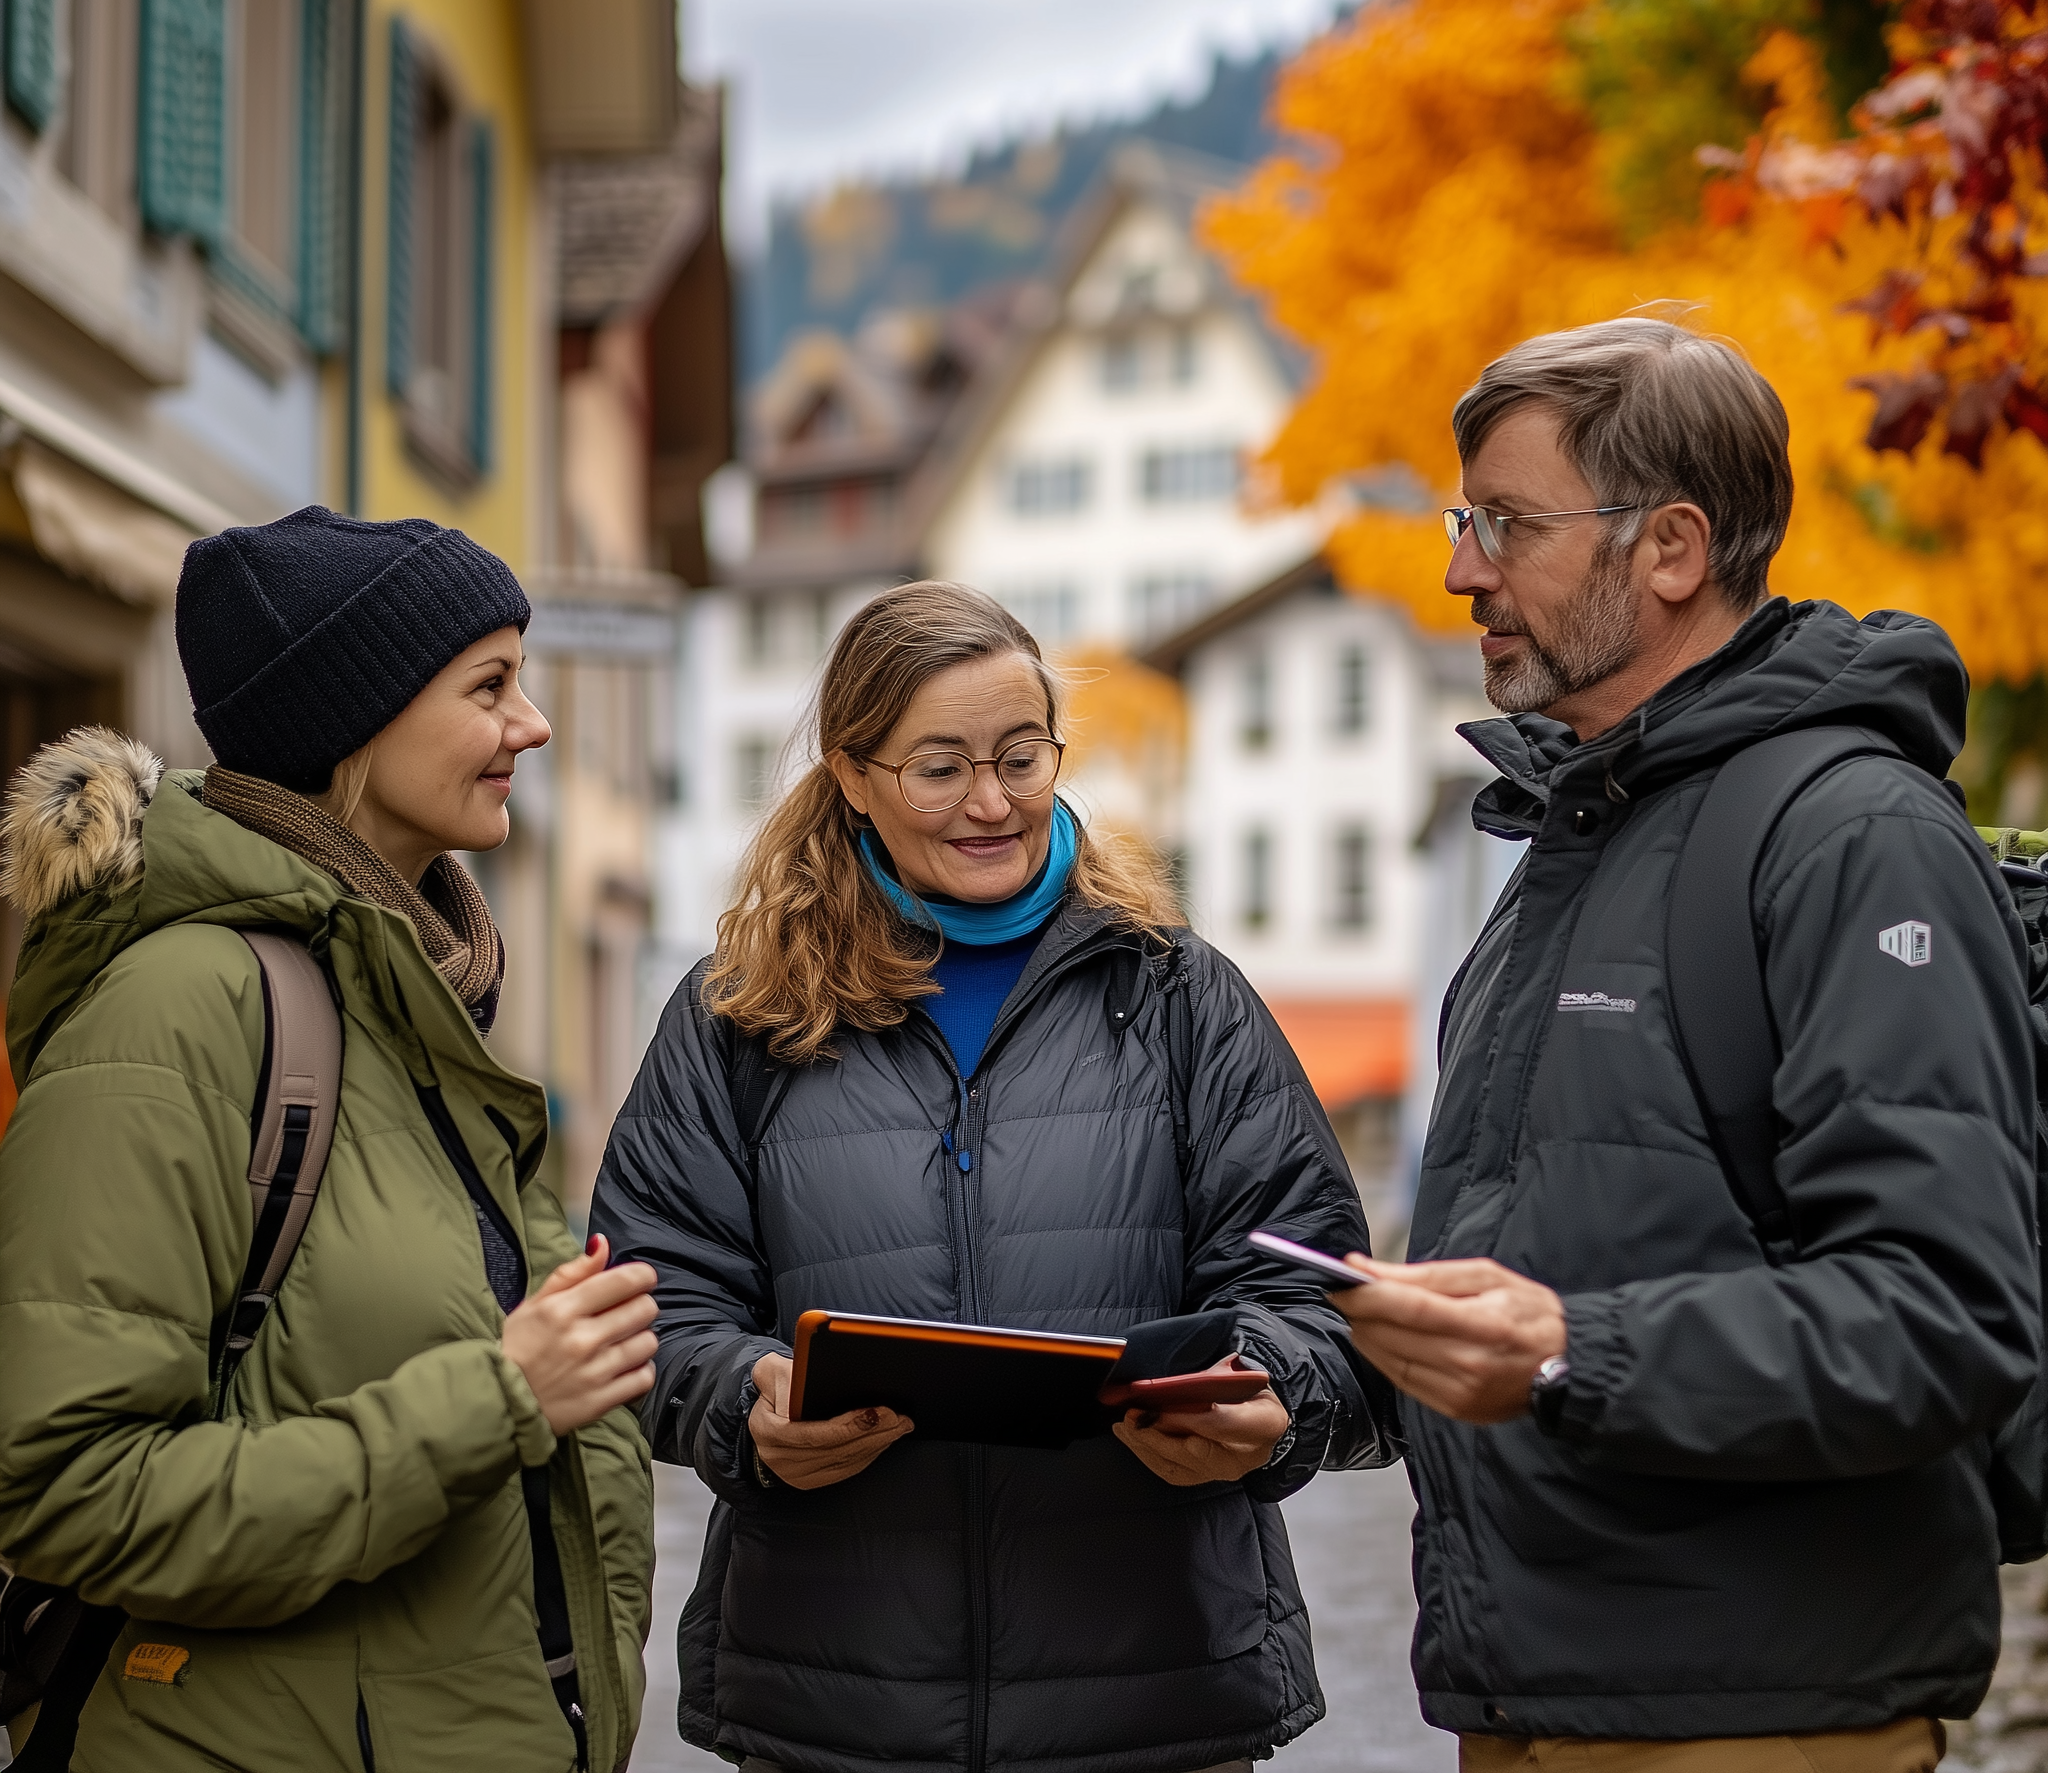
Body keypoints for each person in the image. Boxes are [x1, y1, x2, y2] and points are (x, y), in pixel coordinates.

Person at [1326, 318, 2039, 1770]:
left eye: (1507, 524)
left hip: (1760, 1719)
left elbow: (1945, 1319)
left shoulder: (1853, 839)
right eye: (1468, 521)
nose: (1462, 568)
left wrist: (1566, 1351)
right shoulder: (1579, 839)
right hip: (1534, 1700)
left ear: (1670, 548)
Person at [591, 579, 1390, 1773]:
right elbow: (648, 1307)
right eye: (939, 765)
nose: (991, 801)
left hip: (1153, 1700)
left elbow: (1322, 1294)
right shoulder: (738, 1015)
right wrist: (746, 1398)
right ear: (853, 774)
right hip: (840, 1707)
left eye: (1021, 755)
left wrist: (1261, 1395)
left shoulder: (1177, 996)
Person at [0, 507, 659, 1773]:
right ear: (359, 716)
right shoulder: (182, 1005)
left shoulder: (415, 993)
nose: (534, 725)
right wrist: (499, 1394)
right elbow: (69, 1489)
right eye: (490, 685)